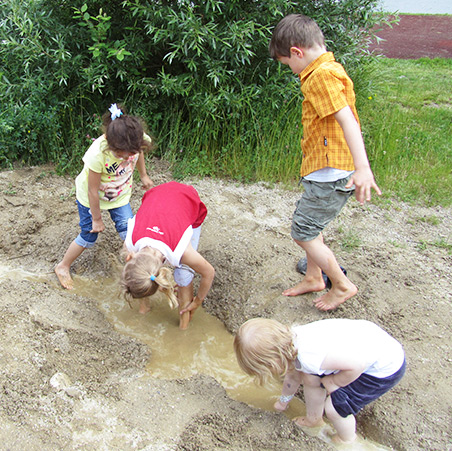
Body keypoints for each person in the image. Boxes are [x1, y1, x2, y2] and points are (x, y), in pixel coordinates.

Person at [269, 14, 382, 311]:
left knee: (302, 231)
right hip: (326, 170)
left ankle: (341, 285)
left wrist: (363, 168)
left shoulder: (319, 76)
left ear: (297, 52)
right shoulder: (330, 68)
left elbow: (347, 119)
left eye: (287, 63)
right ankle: (313, 277)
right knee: (312, 224)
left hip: (331, 174)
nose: (291, 70)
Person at [234, 318, 405, 444]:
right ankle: (313, 419)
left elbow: (356, 365)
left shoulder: (310, 358)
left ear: (274, 361)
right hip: (365, 342)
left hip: (383, 368)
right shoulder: (292, 343)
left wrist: (335, 382)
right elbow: (293, 377)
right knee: (310, 377)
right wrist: (283, 402)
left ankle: (347, 440)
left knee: (334, 409)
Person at [55, 103, 154, 289]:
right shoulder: (97, 153)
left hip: (119, 195)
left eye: (130, 154)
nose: (126, 158)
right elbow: (92, 190)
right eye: (120, 155)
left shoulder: (135, 139)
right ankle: (63, 266)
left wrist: (143, 175)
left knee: (129, 233)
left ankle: (138, 274)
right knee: (88, 236)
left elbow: (139, 152)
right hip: (91, 198)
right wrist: (97, 219)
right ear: (110, 144)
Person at [120, 182, 215, 330]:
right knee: (139, 273)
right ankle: (144, 309)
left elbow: (209, 272)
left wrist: (198, 301)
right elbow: (139, 271)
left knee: (183, 275)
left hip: (189, 201)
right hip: (156, 194)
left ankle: (184, 325)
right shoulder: (130, 243)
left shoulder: (181, 251)